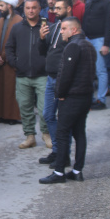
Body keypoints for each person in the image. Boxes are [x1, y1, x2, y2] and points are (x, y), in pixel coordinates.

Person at [39, 17, 96, 184]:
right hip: (85, 96)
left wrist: (60, 93)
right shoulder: (89, 45)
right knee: (79, 132)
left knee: (62, 133)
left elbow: (65, 74)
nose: (61, 32)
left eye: (64, 29)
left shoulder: (73, 46)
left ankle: (59, 173)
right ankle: (77, 171)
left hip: (72, 97)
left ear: (74, 30)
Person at [5, 0, 51, 149]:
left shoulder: (47, 27)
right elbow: (9, 47)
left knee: (45, 109)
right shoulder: (17, 28)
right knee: (25, 107)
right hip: (22, 75)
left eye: (34, 8)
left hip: (43, 75)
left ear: (39, 9)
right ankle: (30, 136)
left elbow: (53, 49)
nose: (31, 11)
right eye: (28, 8)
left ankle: (46, 134)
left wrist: (48, 65)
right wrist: (15, 63)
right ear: (24, 9)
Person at [38, 0, 73, 168]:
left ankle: (64, 155)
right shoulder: (54, 26)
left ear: (69, 9)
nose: (55, 11)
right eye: (55, 8)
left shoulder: (71, 28)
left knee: (64, 119)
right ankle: (57, 151)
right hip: (51, 78)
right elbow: (43, 51)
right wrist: (41, 38)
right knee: (48, 115)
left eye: (59, 8)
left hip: (63, 79)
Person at [0, 0, 22, 124]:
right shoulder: (0, 21)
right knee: (0, 89)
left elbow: (19, 43)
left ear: (9, 6)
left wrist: (6, 56)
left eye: (1, 6)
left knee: (10, 90)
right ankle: (2, 115)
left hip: (10, 62)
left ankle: (12, 116)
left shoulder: (18, 20)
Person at [82, 0, 110, 109]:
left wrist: (106, 44)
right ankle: (90, 99)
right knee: (89, 71)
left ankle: (101, 100)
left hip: (100, 39)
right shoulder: (89, 1)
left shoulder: (108, 3)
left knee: (101, 70)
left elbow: (109, 24)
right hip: (87, 38)